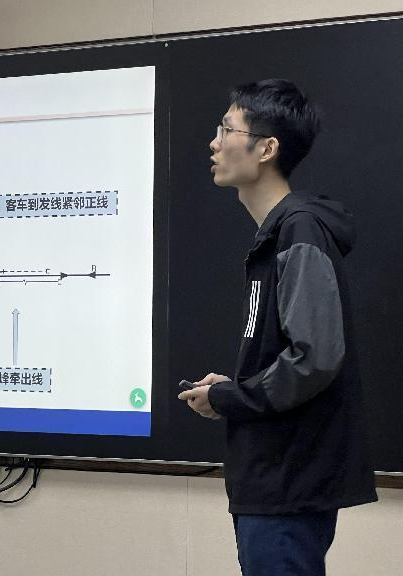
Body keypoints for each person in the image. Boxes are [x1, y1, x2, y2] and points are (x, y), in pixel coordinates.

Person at [177, 79, 377, 576]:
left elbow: (314, 359)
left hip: (288, 480)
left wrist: (231, 398)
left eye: (227, 130)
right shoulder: (280, 233)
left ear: (266, 149)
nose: (214, 143)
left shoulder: (299, 229)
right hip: (274, 477)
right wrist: (232, 389)